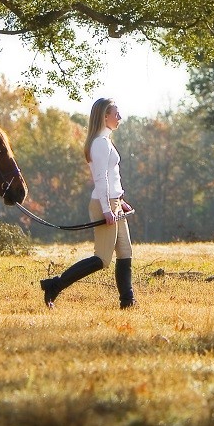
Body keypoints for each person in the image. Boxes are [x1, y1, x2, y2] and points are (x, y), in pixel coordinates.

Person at [40, 97, 135, 309]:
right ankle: (54, 286)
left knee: (125, 252)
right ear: (105, 116)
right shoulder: (99, 144)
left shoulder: (106, 140)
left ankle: (128, 303)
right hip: (105, 205)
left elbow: (112, 177)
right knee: (102, 259)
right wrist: (106, 209)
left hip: (114, 202)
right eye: (116, 114)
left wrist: (120, 200)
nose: (120, 117)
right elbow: (100, 179)